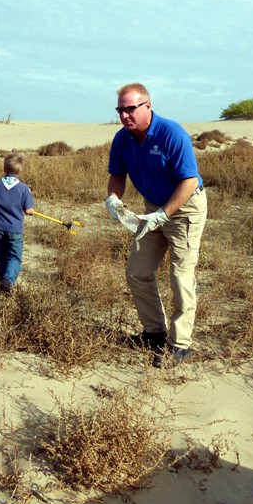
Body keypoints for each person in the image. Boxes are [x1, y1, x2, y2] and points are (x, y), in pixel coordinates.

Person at [105, 83, 207, 366]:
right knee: (137, 271)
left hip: (185, 208)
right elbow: (117, 174)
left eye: (130, 109)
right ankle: (154, 334)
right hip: (152, 210)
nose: (125, 115)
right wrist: (113, 198)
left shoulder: (171, 133)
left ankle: (180, 345)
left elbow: (189, 180)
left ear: (147, 106)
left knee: (180, 274)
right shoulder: (122, 139)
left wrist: (165, 214)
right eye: (120, 110)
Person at [0, 152, 35, 294]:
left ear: (4, 169)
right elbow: (28, 210)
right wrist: (30, 211)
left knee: (2, 256)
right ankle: (7, 281)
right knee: (14, 257)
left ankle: (2, 286)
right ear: (20, 171)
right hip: (15, 229)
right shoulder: (24, 188)